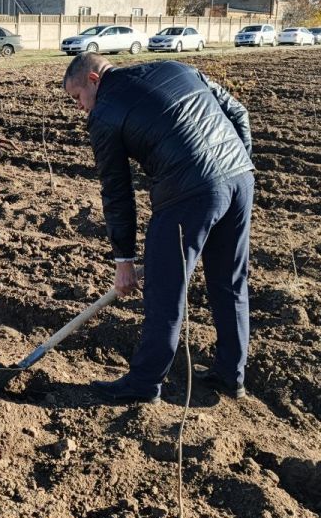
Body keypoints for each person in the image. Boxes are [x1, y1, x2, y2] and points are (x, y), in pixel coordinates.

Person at [63, 52, 254, 404]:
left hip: (188, 192)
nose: (80, 108)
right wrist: (240, 165)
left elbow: (117, 192)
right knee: (230, 282)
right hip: (240, 179)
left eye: (77, 98)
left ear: (93, 79)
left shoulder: (104, 114)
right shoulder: (175, 68)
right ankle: (231, 374)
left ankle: (145, 383)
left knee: (164, 293)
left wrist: (123, 260)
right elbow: (238, 112)